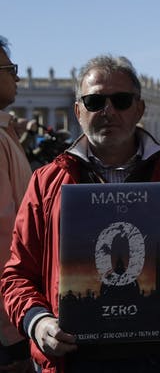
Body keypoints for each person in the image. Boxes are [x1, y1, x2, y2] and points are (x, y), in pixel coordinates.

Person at [1, 54, 160, 373]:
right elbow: (18, 273)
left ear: (139, 108)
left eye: (121, 100)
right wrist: (38, 322)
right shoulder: (46, 182)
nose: (108, 111)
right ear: (78, 111)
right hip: (73, 357)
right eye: (94, 101)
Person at [0, 37, 33, 372]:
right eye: (10, 70)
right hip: (9, 312)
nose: (18, 78)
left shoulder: (5, 134)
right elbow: (5, 231)